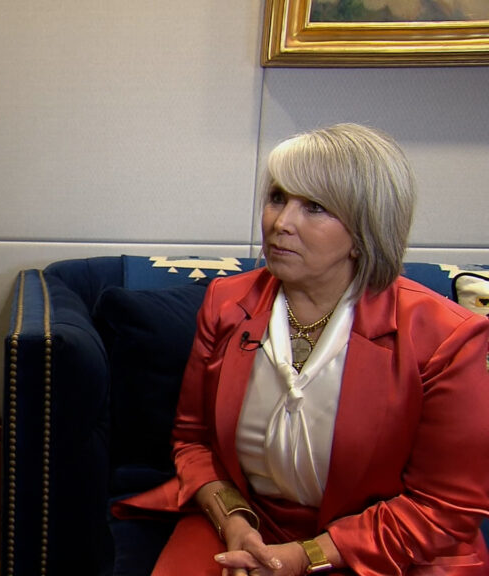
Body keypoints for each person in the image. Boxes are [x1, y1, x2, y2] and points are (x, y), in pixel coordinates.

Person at [115, 124, 489, 575]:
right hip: (247, 521)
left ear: (367, 226)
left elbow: (444, 506)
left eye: (314, 207)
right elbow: (192, 440)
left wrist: (304, 557)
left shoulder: (445, 336)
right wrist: (233, 521)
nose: (280, 223)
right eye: (277, 198)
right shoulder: (226, 303)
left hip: (383, 541)